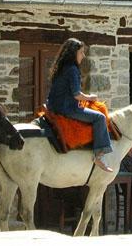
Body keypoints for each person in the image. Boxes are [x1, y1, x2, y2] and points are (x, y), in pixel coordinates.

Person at [46, 38, 113, 172]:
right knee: (99, 117)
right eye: (81, 52)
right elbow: (76, 94)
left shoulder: (61, 67)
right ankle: (99, 156)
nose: (83, 55)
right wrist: (90, 97)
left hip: (53, 106)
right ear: (73, 53)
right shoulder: (72, 69)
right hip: (67, 108)